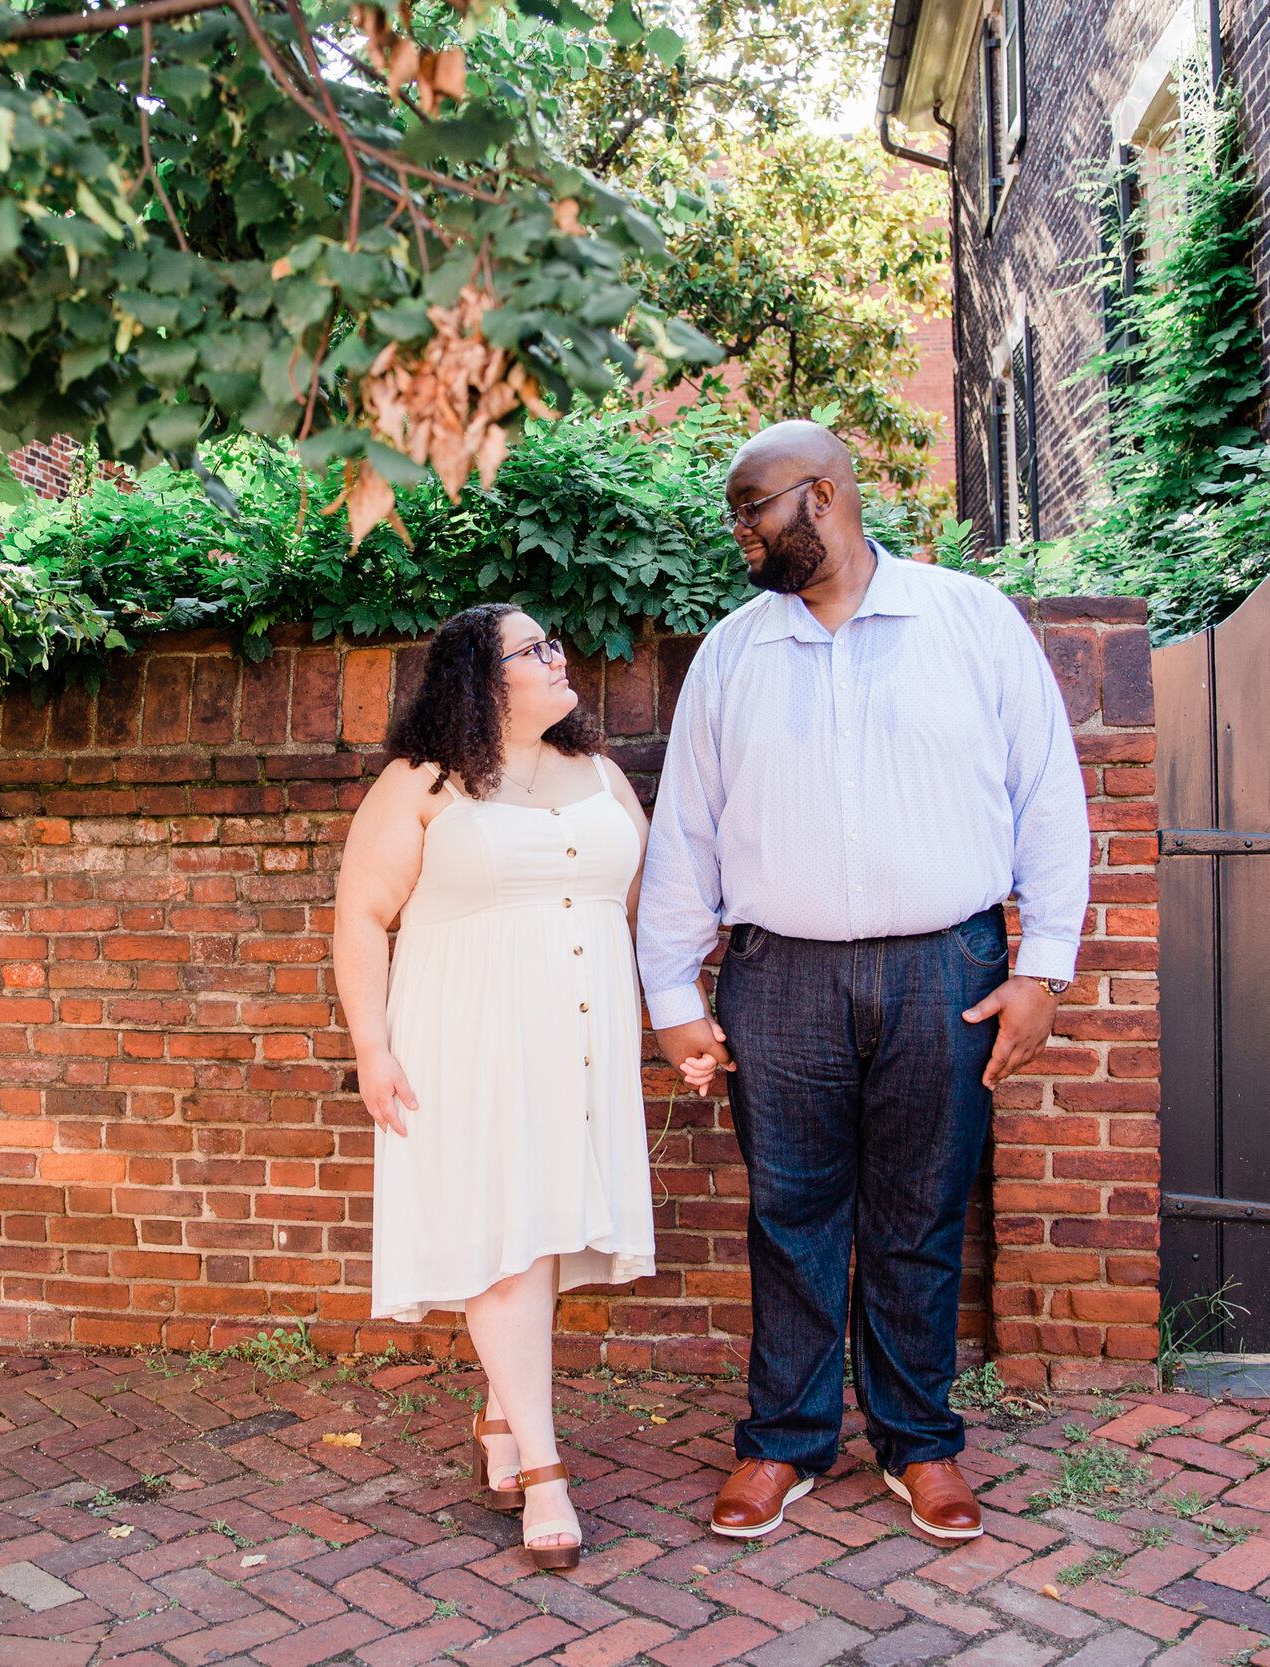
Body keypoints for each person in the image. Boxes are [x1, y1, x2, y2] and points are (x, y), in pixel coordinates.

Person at [637, 421, 1090, 1543]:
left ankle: (918, 1441)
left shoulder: (968, 619)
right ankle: (781, 1440)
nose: (741, 530)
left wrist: (1042, 966)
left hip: (949, 966)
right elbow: (685, 832)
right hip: (776, 978)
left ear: (826, 494)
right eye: (736, 512)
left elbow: (1048, 795)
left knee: (919, 1214)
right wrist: (672, 998)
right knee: (790, 1216)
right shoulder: (734, 652)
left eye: (756, 507)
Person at [334, 603, 676, 1571]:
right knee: (506, 1241)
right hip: (465, 1036)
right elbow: (360, 914)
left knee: (544, 1230)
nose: (556, 654)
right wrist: (371, 1046)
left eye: (552, 639)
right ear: (480, 681)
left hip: (580, 1038)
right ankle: (543, 1467)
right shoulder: (422, 782)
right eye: (533, 649)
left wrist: (678, 1019)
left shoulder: (602, 775)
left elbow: (648, 909)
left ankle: (497, 1415)